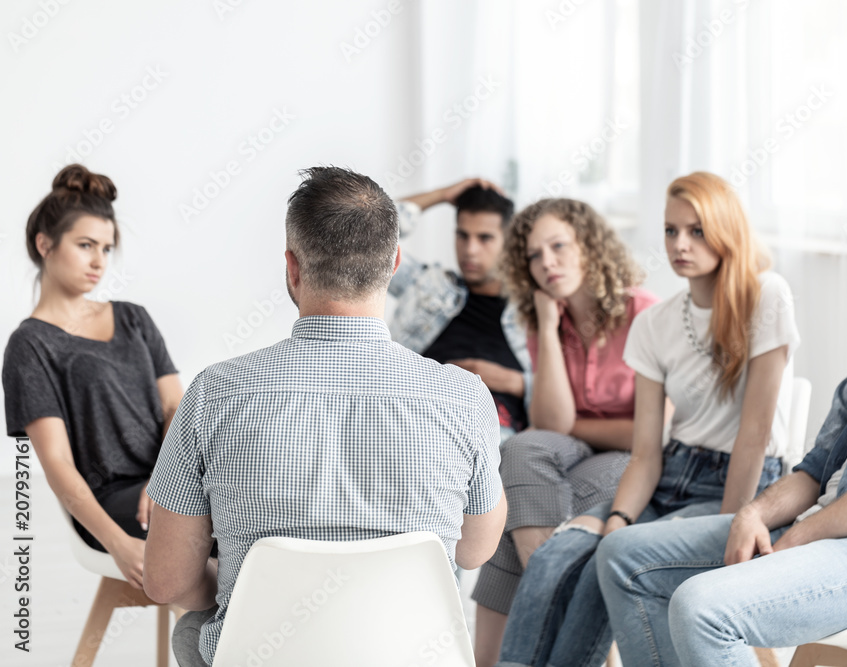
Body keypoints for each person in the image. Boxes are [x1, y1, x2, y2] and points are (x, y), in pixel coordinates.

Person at [596, 187, 847, 666]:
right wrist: (753, 514)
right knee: (622, 556)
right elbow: (813, 470)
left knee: (702, 608)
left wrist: (800, 538)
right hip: (837, 538)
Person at [141, 166, 507, 667]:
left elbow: (167, 581)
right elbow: (474, 551)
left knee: (193, 631)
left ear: (292, 268)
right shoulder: (463, 397)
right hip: (412, 657)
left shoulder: (214, 394)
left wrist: (240, 588)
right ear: (394, 263)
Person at [496, 171, 800, 667]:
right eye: (670, 230)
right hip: (669, 477)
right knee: (558, 555)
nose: (681, 243)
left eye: (697, 230)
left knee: (618, 558)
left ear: (726, 229)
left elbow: (755, 433)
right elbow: (645, 452)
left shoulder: (766, 294)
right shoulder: (655, 324)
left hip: (743, 484)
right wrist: (617, 520)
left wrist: (732, 524)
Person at [471, 197, 658, 665]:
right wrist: (551, 328)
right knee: (521, 448)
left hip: (637, 462)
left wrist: (579, 427)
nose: (547, 262)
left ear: (590, 246)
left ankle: (507, 646)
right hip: (572, 447)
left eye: (558, 246)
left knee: (517, 509)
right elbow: (550, 425)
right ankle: (550, 602)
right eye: (534, 254)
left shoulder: (644, 314)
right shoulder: (544, 322)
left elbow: (651, 436)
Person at [2, 164, 183, 589]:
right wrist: (118, 544)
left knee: (256, 506)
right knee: (230, 530)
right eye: (85, 245)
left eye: (106, 248)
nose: (98, 261)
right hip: (112, 506)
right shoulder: (29, 347)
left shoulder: (134, 318)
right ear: (44, 244)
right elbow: (58, 464)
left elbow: (177, 407)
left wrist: (166, 480)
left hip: (170, 484)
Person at [390, 179, 531, 438]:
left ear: (508, 243)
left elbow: (575, 391)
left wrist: (515, 382)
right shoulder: (428, 284)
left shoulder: (533, 311)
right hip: (412, 409)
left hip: (488, 422)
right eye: (463, 236)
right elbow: (358, 236)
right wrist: (442, 194)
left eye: (485, 238)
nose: (470, 250)